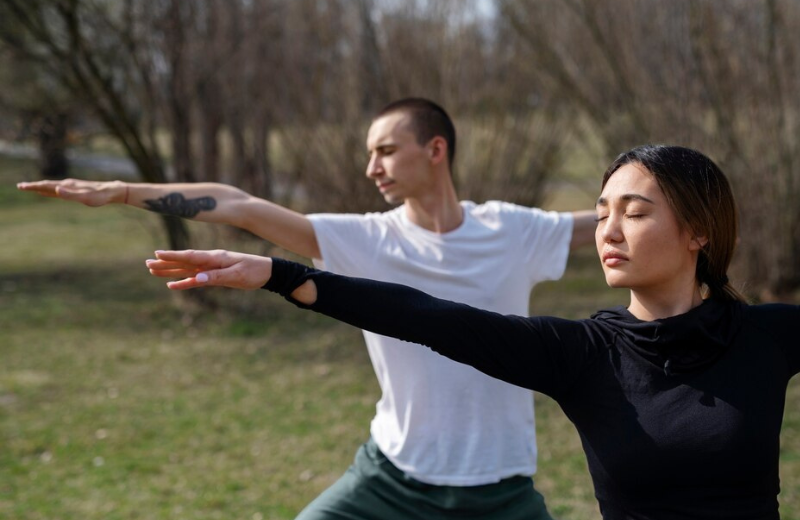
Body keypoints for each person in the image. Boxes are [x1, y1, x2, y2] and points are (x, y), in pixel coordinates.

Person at [146, 144, 800, 520]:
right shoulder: (583, 355)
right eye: (602, 213)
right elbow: (426, 316)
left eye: (634, 213)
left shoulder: (768, 336)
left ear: (698, 231)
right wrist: (278, 274)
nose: (608, 230)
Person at [18, 97, 597, 520]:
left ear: (435, 150)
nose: (371, 168)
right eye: (369, 154)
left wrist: (653, 194)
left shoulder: (511, 230)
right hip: (391, 478)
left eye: (386, 151)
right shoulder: (364, 239)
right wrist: (123, 192)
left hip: (499, 488)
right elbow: (241, 206)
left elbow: (608, 223)